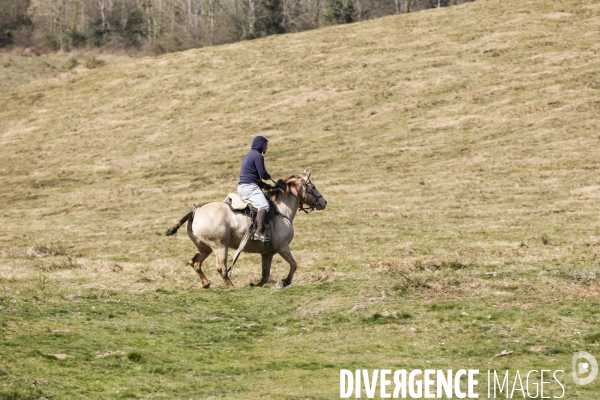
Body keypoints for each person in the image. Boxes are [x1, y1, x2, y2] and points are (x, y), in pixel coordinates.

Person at [238, 136, 271, 241]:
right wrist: (267, 176)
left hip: (242, 187)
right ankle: (258, 233)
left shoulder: (248, 155)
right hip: (250, 187)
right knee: (264, 205)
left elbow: (252, 176)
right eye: (266, 145)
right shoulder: (258, 156)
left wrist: (263, 185)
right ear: (261, 145)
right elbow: (262, 173)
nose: (267, 148)